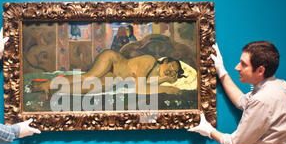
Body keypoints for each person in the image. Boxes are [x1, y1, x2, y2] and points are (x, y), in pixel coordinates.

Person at [31, 49, 184, 98]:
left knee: (93, 88)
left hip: (115, 77)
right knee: (88, 77)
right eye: (171, 65)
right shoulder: (150, 61)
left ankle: (54, 88)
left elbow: (145, 85)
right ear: (164, 61)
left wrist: (165, 80)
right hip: (113, 61)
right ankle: (47, 83)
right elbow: (140, 89)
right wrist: (167, 89)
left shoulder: (157, 77)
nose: (170, 71)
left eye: (174, 72)